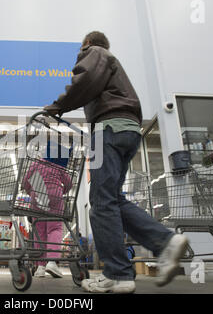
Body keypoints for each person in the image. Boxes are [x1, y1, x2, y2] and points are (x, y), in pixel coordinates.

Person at [44, 31, 189, 293]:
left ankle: (119, 274)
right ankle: (163, 244)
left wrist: (58, 105)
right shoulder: (112, 62)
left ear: (87, 43)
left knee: (101, 202)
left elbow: (85, 80)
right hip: (128, 130)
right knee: (112, 199)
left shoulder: (95, 53)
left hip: (107, 130)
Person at [22, 141, 72, 278]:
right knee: (54, 228)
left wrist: (30, 192)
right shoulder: (59, 165)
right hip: (55, 196)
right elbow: (69, 183)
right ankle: (52, 262)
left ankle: (40, 267)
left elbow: (25, 182)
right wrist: (62, 190)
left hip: (37, 197)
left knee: (39, 232)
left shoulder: (36, 163)